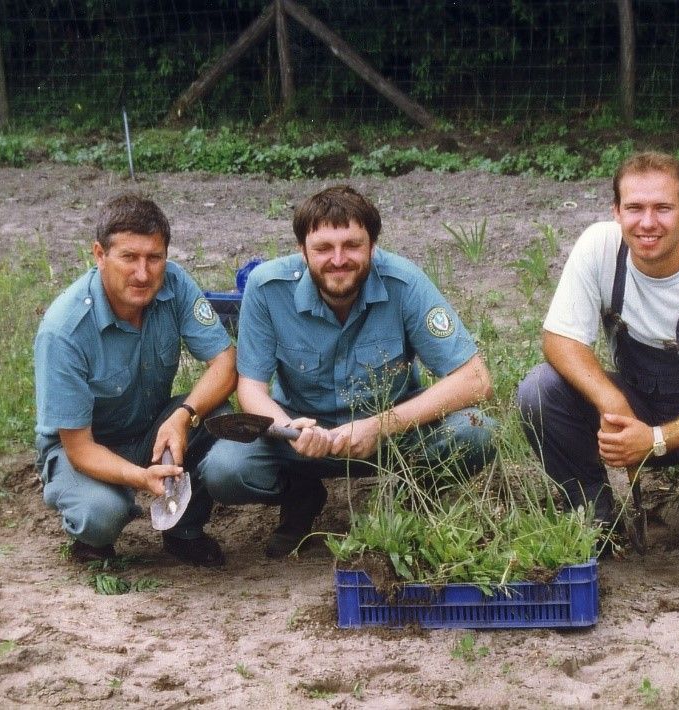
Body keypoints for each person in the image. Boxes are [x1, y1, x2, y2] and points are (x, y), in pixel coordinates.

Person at [197, 185, 498, 558]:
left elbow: (477, 379)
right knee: (225, 470)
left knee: (477, 429)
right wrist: (288, 431)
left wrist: (380, 425)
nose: (338, 259)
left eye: (352, 245)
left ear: (373, 246)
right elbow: (252, 388)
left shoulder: (404, 282)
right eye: (323, 248)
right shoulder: (266, 287)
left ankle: (410, 498)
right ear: (301, 250)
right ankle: (300, 492)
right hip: (301, 436)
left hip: (392, 438)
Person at [517, 152, 679, 557]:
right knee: (540, 389)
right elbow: (559, 339)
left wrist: (654, 441)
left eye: (663, 208)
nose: (647, 222)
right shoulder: (599, 248)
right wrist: (613, 401)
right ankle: (592, 513)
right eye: (635, 208)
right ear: (616, 211)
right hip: (639, 401)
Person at [34, 193, 237, 567]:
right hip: (85, 446)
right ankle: (93, 538)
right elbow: (78, 447)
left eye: (154, 258)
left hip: (150, 428)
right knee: (100, 513)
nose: (143, 274)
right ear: (99, 255)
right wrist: (141, 479)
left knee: (215, 414)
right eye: (128, 257)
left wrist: (183, 415)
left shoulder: (174, 284)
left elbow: (225, 362)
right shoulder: (63, 331)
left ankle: (183, 531)